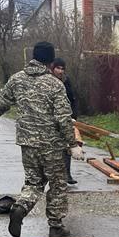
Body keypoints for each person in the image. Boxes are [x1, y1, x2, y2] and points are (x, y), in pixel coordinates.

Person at [0, 41, 83, 237]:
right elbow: (63, 117)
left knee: (33, 182)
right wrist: (73, 144)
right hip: (52, 146)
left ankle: (21, 207)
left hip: (27, 144)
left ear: (33, 57)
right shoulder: (55, 84)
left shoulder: (17, 79)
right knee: (57, 185)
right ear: (50, 61)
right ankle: (56, 226)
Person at [51, 58, 79, 186]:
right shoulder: (47, 81)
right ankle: (53, 175)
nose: (60, 71)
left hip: (66, 118)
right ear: (53, 68)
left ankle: (67, 174)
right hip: (51, 120)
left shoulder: (66, 81)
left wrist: (73, 116)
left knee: (67, 146)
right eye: (58, 68)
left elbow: (72, 99)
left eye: (62, 68)